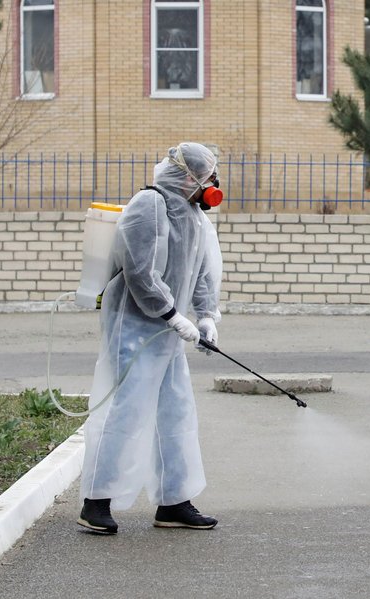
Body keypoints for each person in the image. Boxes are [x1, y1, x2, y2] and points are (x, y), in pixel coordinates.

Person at [78, 142, 223, 534]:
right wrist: (174, 315)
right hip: (135, 327)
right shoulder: (149, 204)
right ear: (188, 176)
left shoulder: (195, 217)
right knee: (127, 410)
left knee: (175, 414)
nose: (213, 184)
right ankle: (96, 500)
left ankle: (174, 501)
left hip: (167, 332)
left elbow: (204, 272)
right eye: (208, 176)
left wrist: (207, 316)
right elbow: (140, 271)